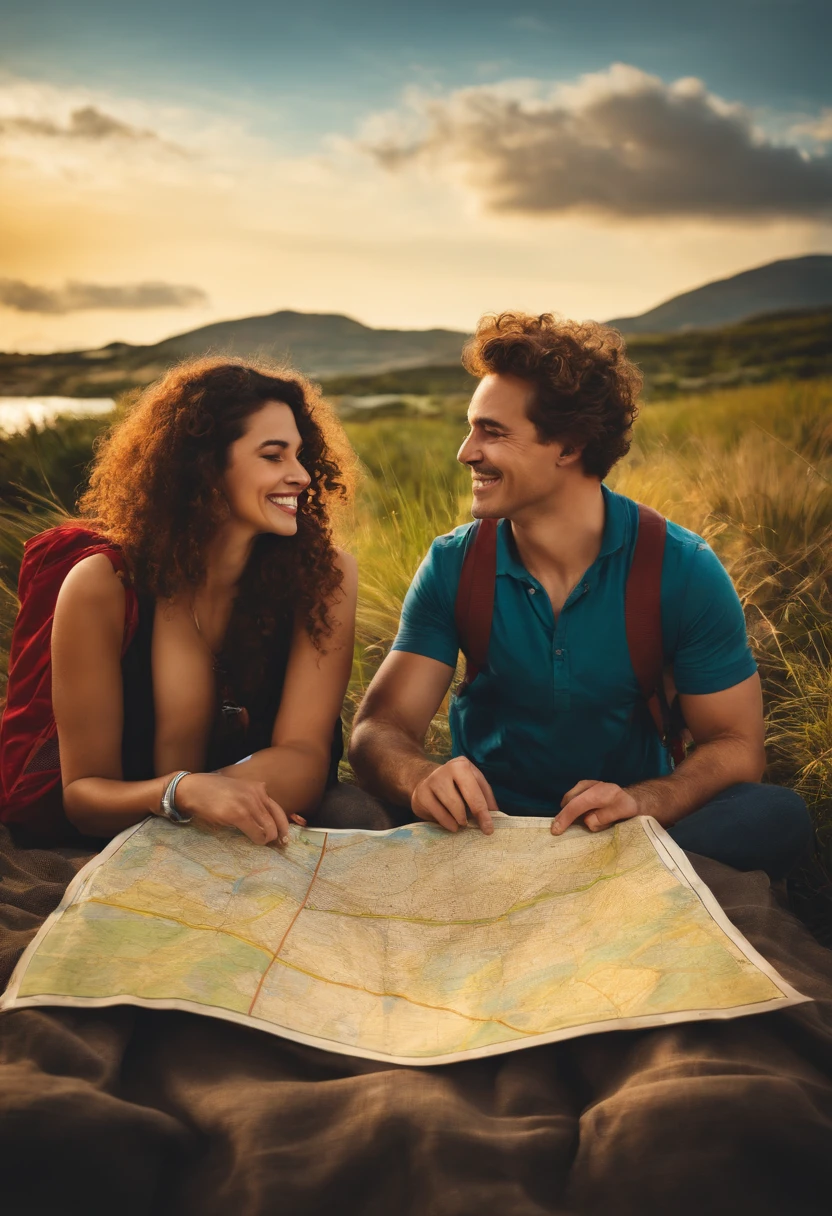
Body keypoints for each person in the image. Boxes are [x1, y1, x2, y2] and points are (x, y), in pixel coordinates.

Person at [349, 312, 813, 879]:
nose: (466, 452)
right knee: (346, 809)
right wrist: (421, 779)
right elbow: (378, 730)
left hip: (625, 832)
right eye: (471, 428)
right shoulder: (455, 564)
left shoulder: (682, 568)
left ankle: (613, 879)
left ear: (567, 447)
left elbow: (737, 745)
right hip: (486, 832)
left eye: (492, 432)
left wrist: (644, 802)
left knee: (776, 814)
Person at [0, 358, 361, 847]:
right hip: (118, 843)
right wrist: (185, 794)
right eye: (274, 456)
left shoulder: (323, 576)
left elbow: (305, 758)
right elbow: (84, 797)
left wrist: (227, 800)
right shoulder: (101, 587)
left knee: (368, 816)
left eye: (300, 455)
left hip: (250, 824)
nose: (301, 475)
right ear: (207, 467)